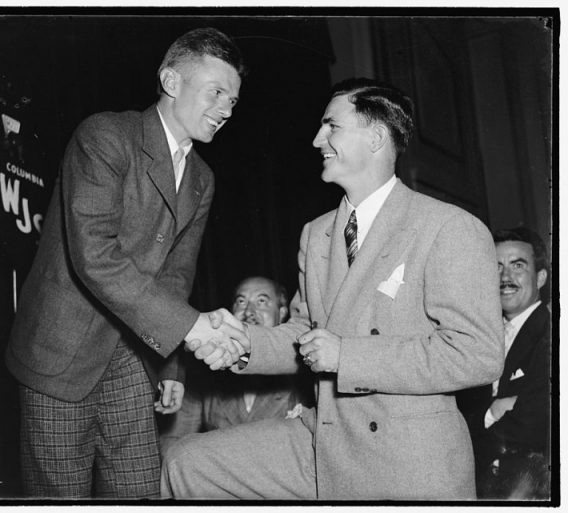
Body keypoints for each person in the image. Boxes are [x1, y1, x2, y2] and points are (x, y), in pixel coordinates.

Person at [162, 77, 505, 500]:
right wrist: (240, 341)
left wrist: (348, 355)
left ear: (377, 137)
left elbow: (477, 354)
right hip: (323, 437)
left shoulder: (448, 228)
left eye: (331, 126)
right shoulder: (317, 233)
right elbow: (306, 335)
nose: (316, 139)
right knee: (185, 463)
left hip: (406, 454)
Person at [4, 27, 247, 498]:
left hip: (133, 358)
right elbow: (94, 256)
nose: (225, 110)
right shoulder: (105, 135)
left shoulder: (202, 177)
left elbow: (177, 276)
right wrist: (194, 329)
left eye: (233, 101)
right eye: (216, 92)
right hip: (58, 356)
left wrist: (171, 367)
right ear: (171, 82)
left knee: (139, 494)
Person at [159, 276, 314, 453]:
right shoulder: (206, 371)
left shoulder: (304, 372)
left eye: (262, 301)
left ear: (283, 312)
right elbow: (174, 444)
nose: (249, 311)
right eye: (241, 302)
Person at [466, 227, 550, 499]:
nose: (505, 277)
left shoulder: (553, 331)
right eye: (497, 267)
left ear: (540, 278)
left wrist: (477, 432)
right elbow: (460, 413)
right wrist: (494, 411)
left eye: (517, 266)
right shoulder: (477, 336)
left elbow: (537, 419)